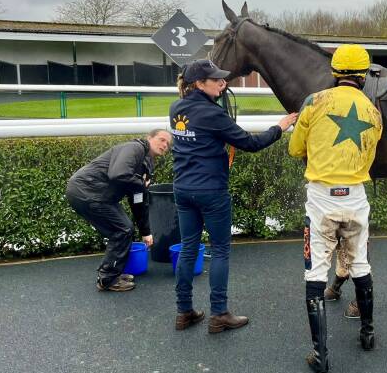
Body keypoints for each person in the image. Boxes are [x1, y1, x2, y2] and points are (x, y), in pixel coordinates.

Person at [169, 59, 297, 332]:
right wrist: (280, 127)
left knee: (189, 248)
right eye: (216, 80)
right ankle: (219, 313)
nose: (222, 83)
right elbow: (250, 143)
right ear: (199, 84)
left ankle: (184, 312)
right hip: (211, 191)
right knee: (220, 250)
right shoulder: (212, 114)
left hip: (183, 189)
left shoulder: (176, 108)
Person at [288, 44, 383, 373]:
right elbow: (370, 154)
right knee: (360, 264)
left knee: (315, 272)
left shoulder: (314, 102)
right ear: (363, 75)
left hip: (321, 201)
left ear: (335, 72)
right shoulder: (374, 112)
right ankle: (368, 334)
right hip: (356, 199)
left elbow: (295, 149)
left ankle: (320, 354)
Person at [66, 129, 173, 292]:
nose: (165, 145)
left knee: (122, 229)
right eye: (161, 139)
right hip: (87, 190)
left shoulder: (146, 164)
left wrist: (146, 232)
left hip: (95, 194)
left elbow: (138, 200)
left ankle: (111, 273)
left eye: (168, 143)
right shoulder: (135, 148)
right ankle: (108, 279)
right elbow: (118, 174)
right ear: (149, 138)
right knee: (123, 229)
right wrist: (141, 184)